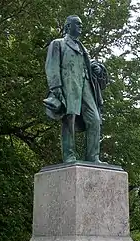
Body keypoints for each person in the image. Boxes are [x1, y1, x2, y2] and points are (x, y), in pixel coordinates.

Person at [44, 15, 108, 163]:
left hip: (86, 86)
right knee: (69, 119)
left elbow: (85, 65)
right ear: (68, 27)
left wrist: (95, 68)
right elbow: (51, 67)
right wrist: (56, 88)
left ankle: (93, 156)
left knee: (95, 119)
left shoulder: (82, 48)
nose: (81, 27)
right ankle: (69, 155)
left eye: (81, 25)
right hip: (69, 86)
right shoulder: (58, 44)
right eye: (77, 24)